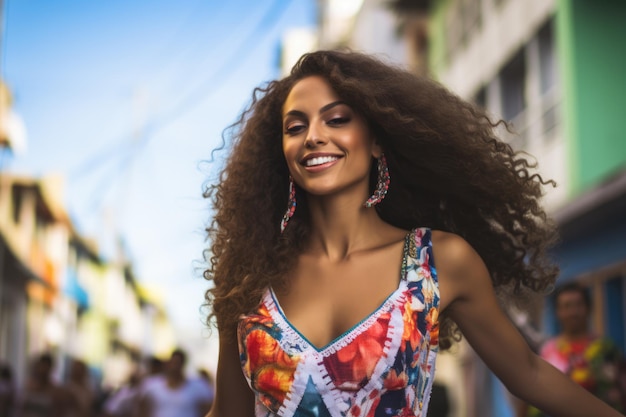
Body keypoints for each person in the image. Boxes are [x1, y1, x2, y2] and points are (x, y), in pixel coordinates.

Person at [201, 49, 625, 417]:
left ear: (377, 142)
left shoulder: (438, 260)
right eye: (295, 128)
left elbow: (528, 375)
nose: (313, 136)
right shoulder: (247, 278)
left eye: (336, 119)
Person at [522, 283, 625, 416]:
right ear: (558, 312)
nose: (573, 312)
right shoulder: (547, 352)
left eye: (578, 305)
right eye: (567, 306)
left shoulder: (607, 350)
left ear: (588, 308)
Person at [135, 349, 213, 417]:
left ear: (183, 364)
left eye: (178, 363)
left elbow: (206, 410)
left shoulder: (198, 386)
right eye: (173, 363)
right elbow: (142, 409)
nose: (175, 366)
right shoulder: (151, 385)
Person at [16, 353, 71, 417]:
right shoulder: (29, 385)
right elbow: (21, 408)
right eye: (41, 367)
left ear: (50, 369)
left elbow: (60, 412)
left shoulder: (56, 391)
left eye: (45, 368)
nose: (42, 370)